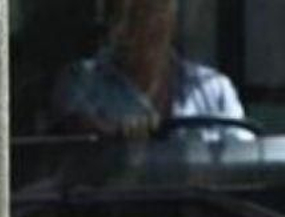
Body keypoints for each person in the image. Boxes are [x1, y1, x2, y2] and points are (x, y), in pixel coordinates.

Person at [51, 0, 246, 138]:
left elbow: (242, 164)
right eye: (133, 13)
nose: (146, 24)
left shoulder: (215, 90)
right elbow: (76, 139)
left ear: (172, 18)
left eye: (156, 9)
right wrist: (117, 136)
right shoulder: (82, 82)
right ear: (114, 21)